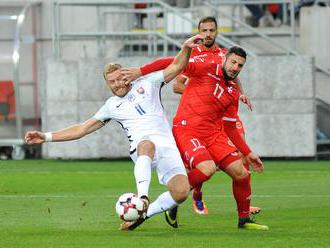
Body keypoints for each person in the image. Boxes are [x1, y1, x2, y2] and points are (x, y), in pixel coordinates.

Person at [24, 35, 203, 231]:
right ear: (107, 84)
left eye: (120, 78)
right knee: (146, 144)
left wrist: (186, 47)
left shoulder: (148, 83)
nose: (117, 84)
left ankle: (143, 214)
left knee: (181, 193)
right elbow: (82, 129)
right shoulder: (112, 106)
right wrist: (46, 136)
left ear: (127, 75)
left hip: (167, 146)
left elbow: (177, 66)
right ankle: (142, 197)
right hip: (141, 149)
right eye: (112, 82)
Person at [121, 18, 268, 231]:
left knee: (242, 173)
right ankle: (169, 200)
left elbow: (229, 127)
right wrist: (140, 71)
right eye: (233, 63)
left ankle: (244, 220)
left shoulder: (232, 92)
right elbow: (171, 63)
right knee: (206, 168)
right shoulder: (204, 65)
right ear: (224, 60)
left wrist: (248, 152)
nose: (235, 68)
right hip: (188, 129)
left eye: (240, 65)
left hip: (213, 133)